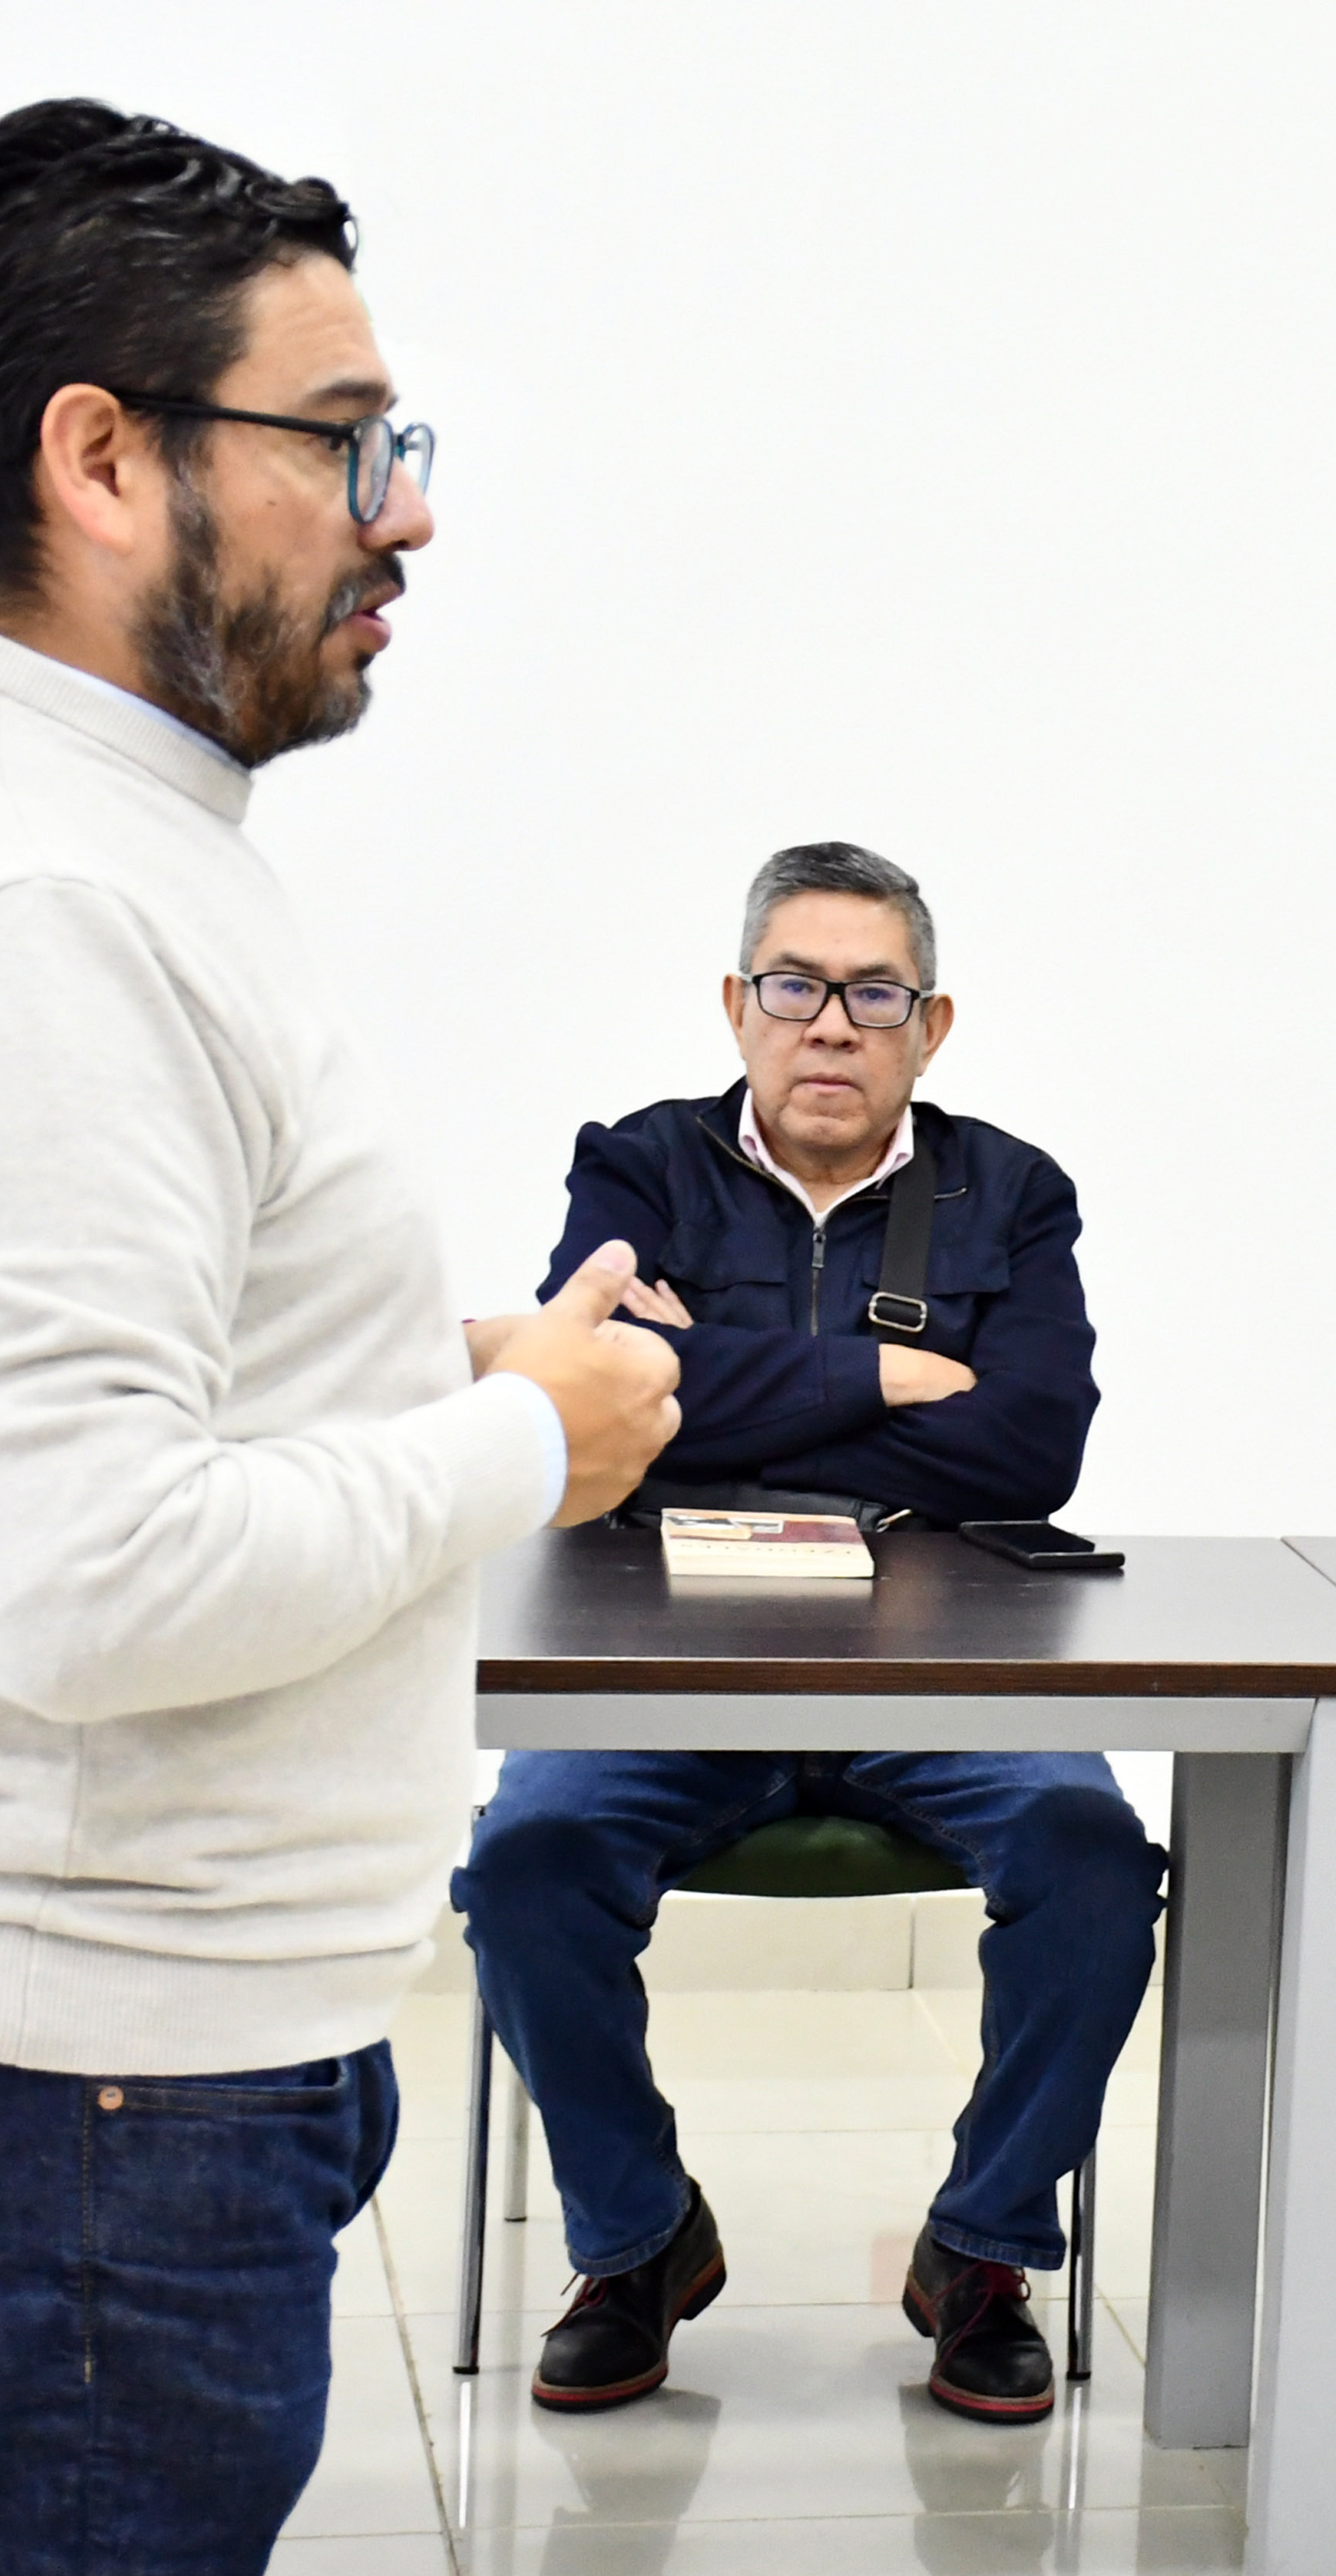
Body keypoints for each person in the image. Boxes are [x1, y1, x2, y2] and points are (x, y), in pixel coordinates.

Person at [0, 102, 679, 2576]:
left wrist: (418, 1375)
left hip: (44, 2065)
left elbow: (104, 1386)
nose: (404, 511)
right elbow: (97, 1581)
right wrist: (527, 1447)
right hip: (65, 2095)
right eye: (340, 441)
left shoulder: (34, 817)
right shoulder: (34, 902)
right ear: (102, 459)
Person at [453, 840, 1164, 2426]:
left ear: (931, 1024)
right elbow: (586, 1393)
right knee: (525, 1862)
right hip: (670, 1653)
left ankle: (981, 2249)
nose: (830, 1024)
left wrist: (710, 1389)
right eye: (794, 987)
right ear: (737, 1006)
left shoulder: (1011, 1191)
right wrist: (884, 1377)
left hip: (941, 1659)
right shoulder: (640, 1166)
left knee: (1093, 1859)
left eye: (873, 993)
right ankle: (637, 2238)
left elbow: (1030, 1447)